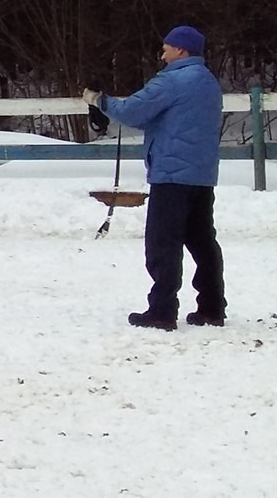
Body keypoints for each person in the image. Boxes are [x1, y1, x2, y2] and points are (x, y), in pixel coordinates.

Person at [86, 25, 226, 330]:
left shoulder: (174, 81)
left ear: (181, 50)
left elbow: (133, 112)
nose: (162, 54)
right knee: (202, 241)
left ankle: (162, 310)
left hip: (171, 175)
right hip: (201, 175)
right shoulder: (209, 82)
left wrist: (99, 100)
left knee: (164, 243)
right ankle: (212, 306)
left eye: (167, 48)